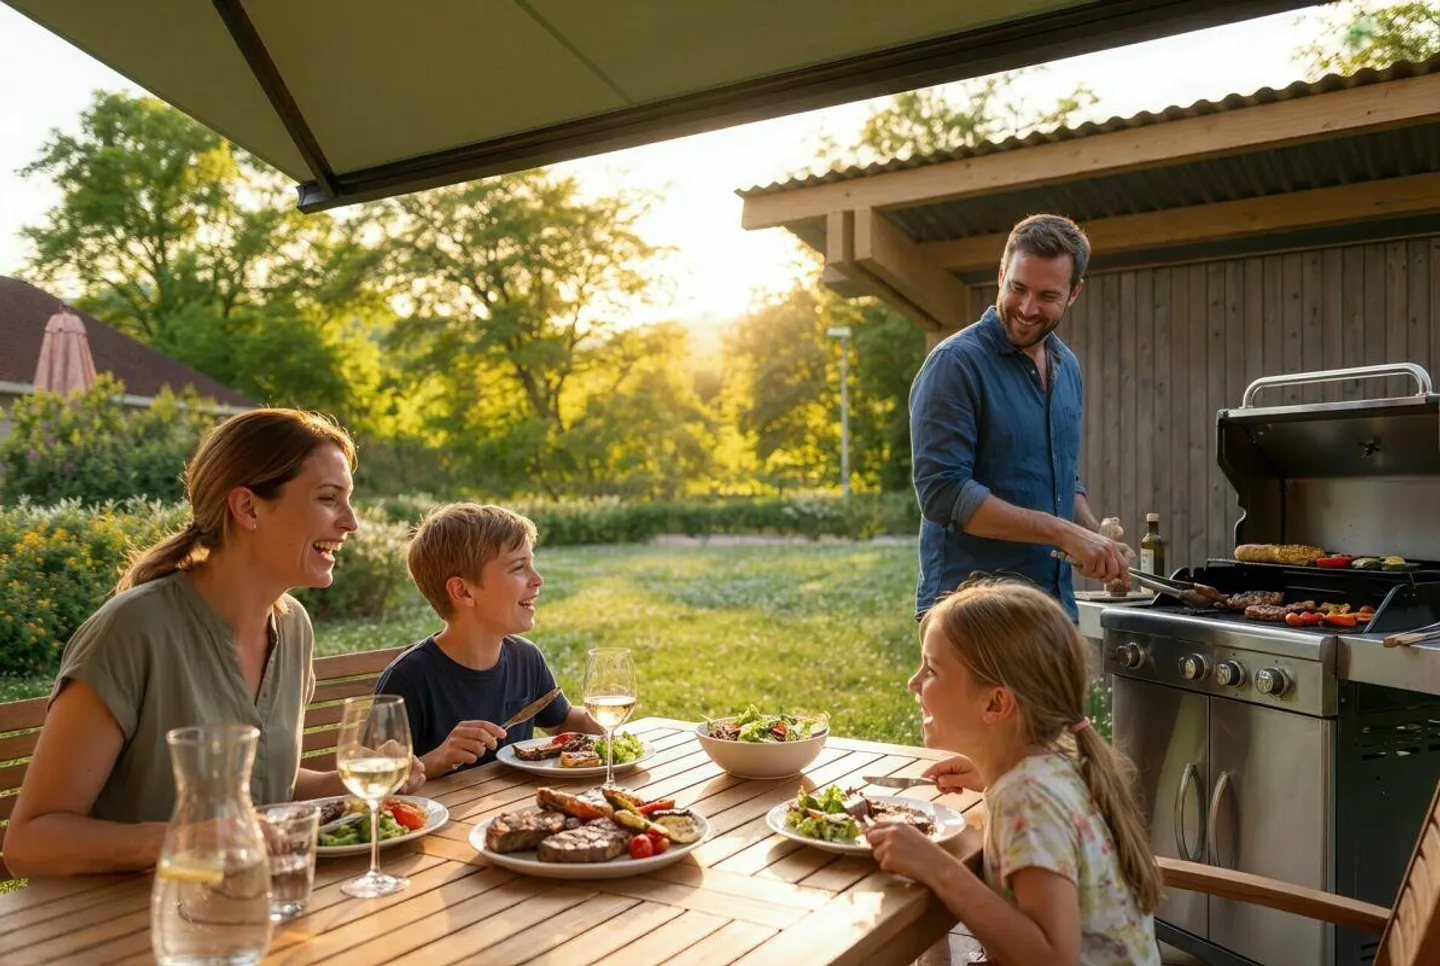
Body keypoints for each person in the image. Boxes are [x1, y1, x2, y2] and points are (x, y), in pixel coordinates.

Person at [6, 408, 425, 878]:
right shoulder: (132, 629)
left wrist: (350, 784)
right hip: (129, 923)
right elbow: (29, 842)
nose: (351, 522)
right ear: (247, 508)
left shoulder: (292, 628)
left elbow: (263, 787)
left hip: (252, 909)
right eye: (329, 498)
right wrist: (185, 839)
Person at [865, 580, 1162, 965]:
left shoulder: (1026, 798)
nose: (913, 683)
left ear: (996, 704)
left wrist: (939, 869)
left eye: (932, 670)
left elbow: (1055, 959)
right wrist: (988, 776)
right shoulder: (1052, 768)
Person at [909, 213, 1131, 621]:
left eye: (1047, 296)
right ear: (1000, 275)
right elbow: (944, 493)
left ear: (1074, 292)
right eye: (1018, 288)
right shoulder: (954, 365)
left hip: (1052, 605)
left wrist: (1093, 534)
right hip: (971, 613)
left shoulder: (1068, 367)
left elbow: (1059, 473)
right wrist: (1064, 533)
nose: (1028, 308)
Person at [375, 503, 599, 776]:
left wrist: (606, 717)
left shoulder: (525, 658)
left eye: (532, 564)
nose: (538, 579)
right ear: (463, 591)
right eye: (518, 568)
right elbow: (376, 779)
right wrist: (437, 759)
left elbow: (562, 723)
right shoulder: (409, 678)